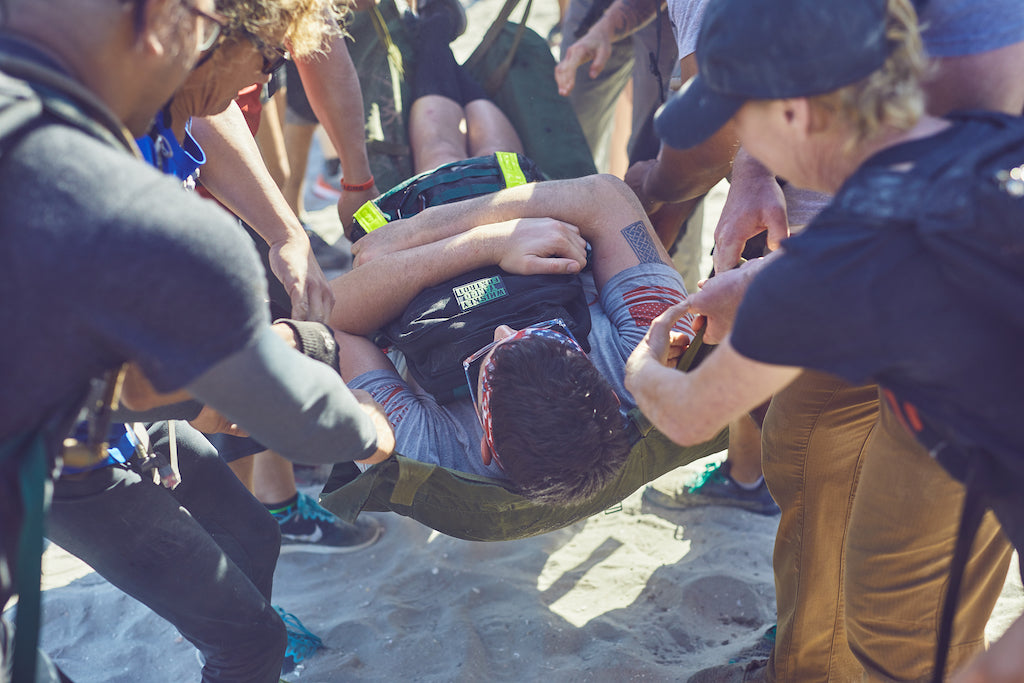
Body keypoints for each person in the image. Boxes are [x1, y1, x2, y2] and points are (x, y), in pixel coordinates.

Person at [625, 1, 1022, 682]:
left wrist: (645, 354)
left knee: (899, 641)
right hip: (980, 448)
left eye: (737, 122)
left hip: (984, 465)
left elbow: (685, 410)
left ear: (795, 114)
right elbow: (894, 243)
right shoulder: (977, 142)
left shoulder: (824, 274)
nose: (737, 147)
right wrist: (761, 284)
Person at [0, 1, 392, 680]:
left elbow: (147, 387)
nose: (259, 94)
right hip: (65, 464)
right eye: (268, 68)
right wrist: (368, 429)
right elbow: (278, 406)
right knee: (249, 643)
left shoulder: (55, 92)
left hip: (96, 423)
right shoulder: (145, 219)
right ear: (173, 26)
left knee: (250, 533)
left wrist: (287, 233)